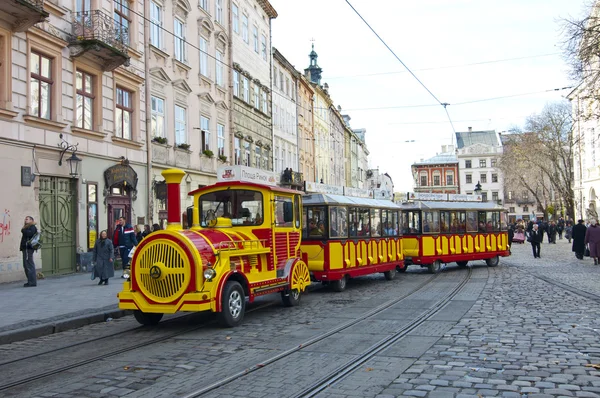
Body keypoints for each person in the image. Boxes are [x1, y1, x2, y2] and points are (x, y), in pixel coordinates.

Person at [20, 215, 37, 287]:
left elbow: (29, 233)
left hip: (28, 248)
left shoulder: (32, 227)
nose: (25, 220)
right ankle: (30, 281)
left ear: (31, 220)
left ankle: (32, 282)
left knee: (29, 265)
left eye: (27, 219)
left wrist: (23, 230)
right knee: (26, 264)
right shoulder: (27, 227)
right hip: (26, 248)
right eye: (25, 219)